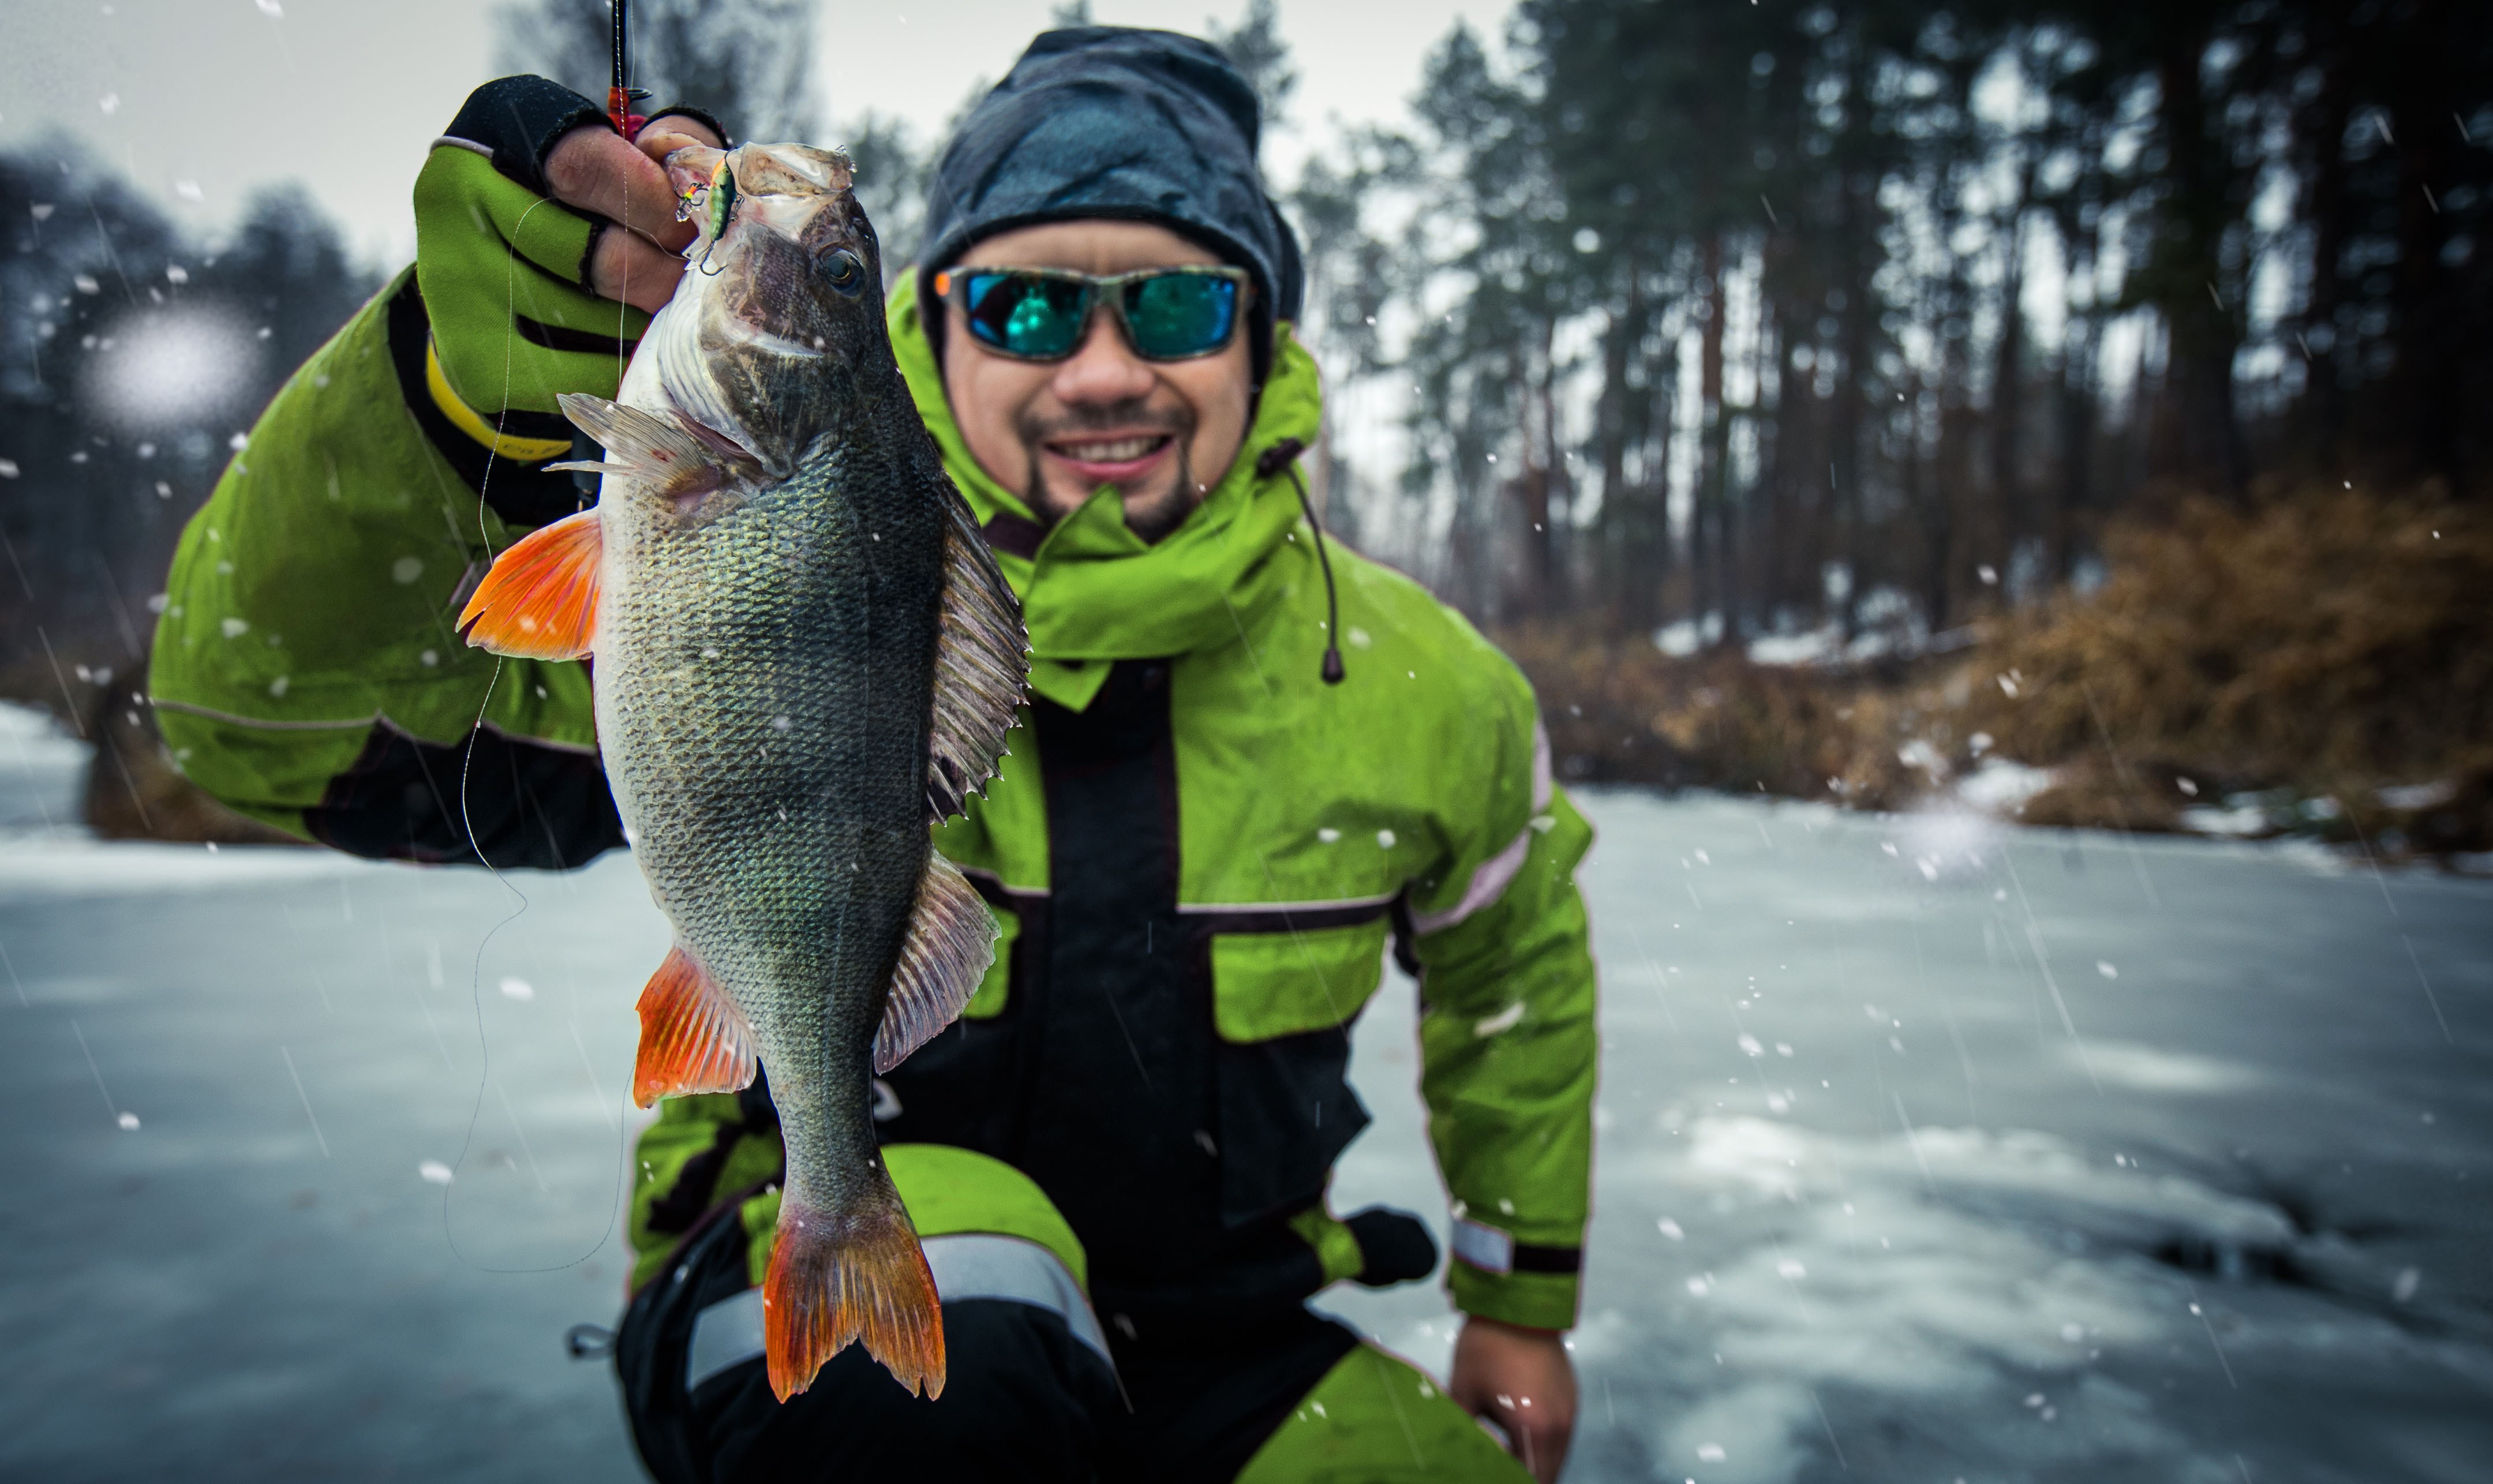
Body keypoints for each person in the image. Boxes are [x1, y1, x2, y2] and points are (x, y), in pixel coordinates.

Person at [148, 27, 1599, 1484]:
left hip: (1224, 1343)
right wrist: (443, 412)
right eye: (1027, 310)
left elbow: (1514, 975)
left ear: (1261, 331)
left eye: (1172, 303)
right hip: (814, 1280)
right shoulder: (728, 566)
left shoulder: (1433, 689)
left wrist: (1522, 1302)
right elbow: (253, 722)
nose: (1104, 370)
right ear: (936, 325)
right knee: (959, 1357)